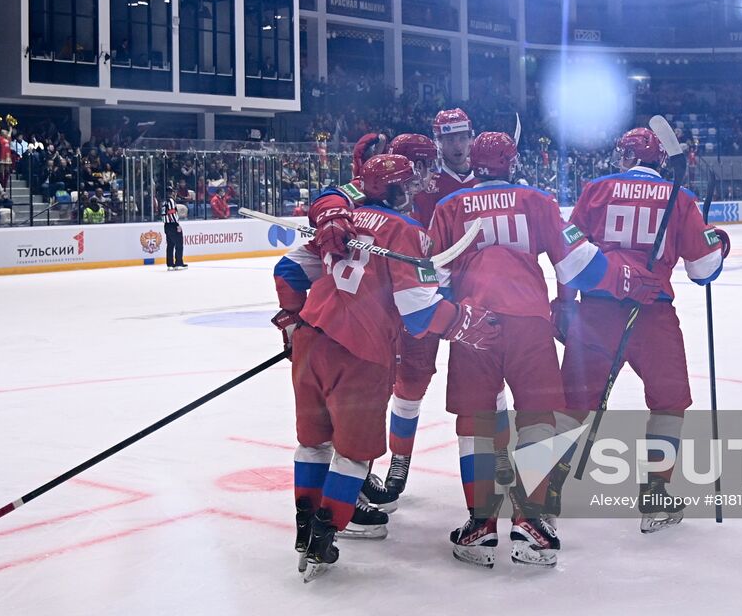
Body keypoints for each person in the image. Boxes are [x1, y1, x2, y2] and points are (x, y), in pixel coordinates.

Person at [427, 132, 669, 569]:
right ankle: (532, 522)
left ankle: (480, 526)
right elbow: (576, 262)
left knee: (476, 421)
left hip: (472, 322)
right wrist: (623, 279)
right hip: (529, 321)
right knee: (538, 417)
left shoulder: (449, 208)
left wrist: (450, 323)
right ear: (512, 162)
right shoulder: (536, 201)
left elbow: (434, 282)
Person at [272, 154, 500, 582]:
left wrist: (290, 320)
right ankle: (326, 534)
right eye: (408, 184)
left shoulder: (337, 221)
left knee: (313, 444)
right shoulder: (406, 230)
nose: (414, 190)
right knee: (355, 456)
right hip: (361, 353)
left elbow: (287, 271)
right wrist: (465, 324)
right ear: (394, 189)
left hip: (310, 340)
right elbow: (417, 312)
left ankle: (305, 530)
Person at [555, 126, 729, 535]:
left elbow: (567, 254)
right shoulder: (679, 197)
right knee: (669, 402)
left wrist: (564, 305)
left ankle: (542, 492)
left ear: (624, 158)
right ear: (659, 161)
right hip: (654, 314)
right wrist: (718, 241)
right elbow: (703, 271)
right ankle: (655, 494)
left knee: (572, 404)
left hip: (596, 311)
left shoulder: (595, 189)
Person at [382, 111, 494, 499]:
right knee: (411, 381)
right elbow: (361, 197)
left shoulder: (488, 178)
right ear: (438, 141)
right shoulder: (415, 179)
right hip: (423, 294)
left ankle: (496, 461)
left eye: (462, 136)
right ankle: (399, 463)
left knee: (489, 378)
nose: (457, 145)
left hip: (475, 293)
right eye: (449, 139)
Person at [162, 188, 185, 269]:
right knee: (179, 244)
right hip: (172, 225)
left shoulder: (164, 202)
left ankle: (170, 264)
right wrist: (177, 224)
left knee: (170, 245)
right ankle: (179, 263)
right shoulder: (171, 201)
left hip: (166, 225)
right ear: (171, 193)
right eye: (174, 192)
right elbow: (172, 213)